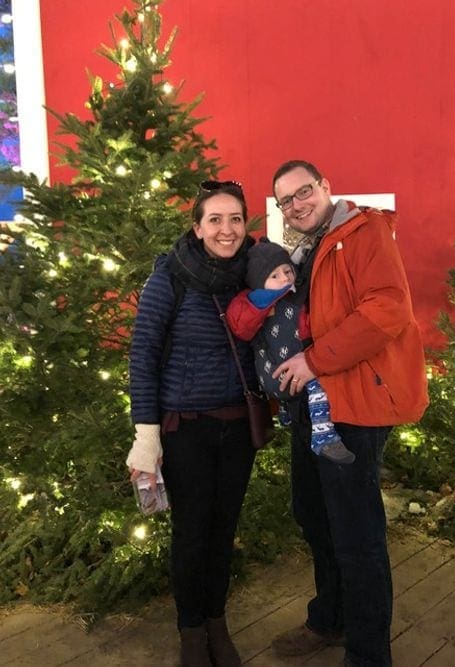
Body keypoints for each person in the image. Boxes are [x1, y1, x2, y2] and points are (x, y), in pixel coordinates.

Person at [268, 160, 429, 666]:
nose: (297, 204)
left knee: (356, 534)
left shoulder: (363, 233)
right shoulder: (302, 250)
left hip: (354, 406)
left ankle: (367, 653)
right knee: (314, 516)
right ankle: (330, 619)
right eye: (286, 200)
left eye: (304, 191)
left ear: (326, 188)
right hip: (312, 406)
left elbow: (387, 309)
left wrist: (313, 360)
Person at [126, 180, 258, 667]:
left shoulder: (255, 276)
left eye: (236, 219)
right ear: (198, 227)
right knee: (192, 531)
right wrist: (146, 435)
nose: (227, 230)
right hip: (187, 431)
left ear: (246, 224)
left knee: (223, 531)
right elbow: (143, 355)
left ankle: (217, 621)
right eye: (216, 220)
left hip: (238, 428)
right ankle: (191, 631)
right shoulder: (170, 278)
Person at [226, 237, 355, 464]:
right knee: (319, 387)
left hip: (271, 375)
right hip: (289, 372)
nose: (285, 278)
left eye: (287, 271)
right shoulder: (277, 302)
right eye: (274, 276)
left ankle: (286, 411)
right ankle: (323, 435)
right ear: (258, 281)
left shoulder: (253, 304)